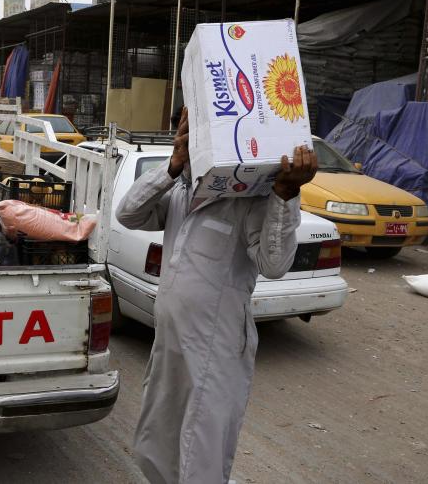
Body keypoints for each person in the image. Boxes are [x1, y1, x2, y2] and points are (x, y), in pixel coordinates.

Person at [117, 107, 318, 483]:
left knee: (201, 450)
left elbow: (274, 264)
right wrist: (173, 165)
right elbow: (128, 215)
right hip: (169, 346)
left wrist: (287, 195)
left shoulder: (252, 200)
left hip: (216, 349)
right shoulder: (181, 189)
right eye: (188, 129)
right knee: (158, 437)